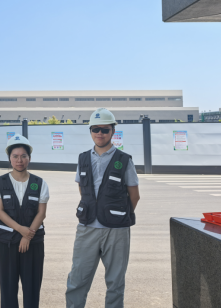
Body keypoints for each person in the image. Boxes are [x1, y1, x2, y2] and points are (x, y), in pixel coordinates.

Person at [65, 108, 140, 308]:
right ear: (90, 131)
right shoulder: (83, 159)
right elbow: (83, 191)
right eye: (95, 129)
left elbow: (134, 196)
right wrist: (95, 209)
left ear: (113, 131)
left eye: (105, 129)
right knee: (77, 281)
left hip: (116, 231)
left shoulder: (124, 160)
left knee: (115, 283)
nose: (100, 133)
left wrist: (116, 215)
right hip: (87, 228)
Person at [0, 134, 49, 308]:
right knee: (8, 289)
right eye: (15, 156)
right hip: (6, 244)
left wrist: (27, 236)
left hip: (33, 244)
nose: (19, 160)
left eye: (23, 156)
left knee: (32, 288)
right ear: (9, 158)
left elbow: (41, 213)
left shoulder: (39, 183)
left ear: (29, 158)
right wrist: (20, 229)